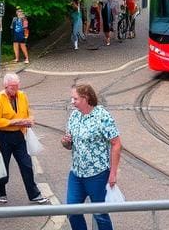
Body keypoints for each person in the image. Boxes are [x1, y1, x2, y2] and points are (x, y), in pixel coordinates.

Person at [62, 83, 121, 230]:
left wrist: (113, 173)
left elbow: (116, 144)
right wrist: (65, 142)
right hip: (76, 173)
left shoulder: (102, 116)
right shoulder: (74, 115)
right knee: (72, 211)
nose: (72, 102)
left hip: (97, 174)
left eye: (75, 99)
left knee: (100, 214)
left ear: (85, 98)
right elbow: (69, 144)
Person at [0, 73, 47, 204]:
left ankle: (34, 194)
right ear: (5, 86)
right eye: (12, 87)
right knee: (3, 165)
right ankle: (0, 191)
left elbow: (28, 112)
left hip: (19, 135)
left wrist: (30, 120)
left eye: (17, 86)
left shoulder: (22, 95)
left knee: (26, 164)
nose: (15, 90)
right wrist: (15, 122)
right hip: (3, 136)